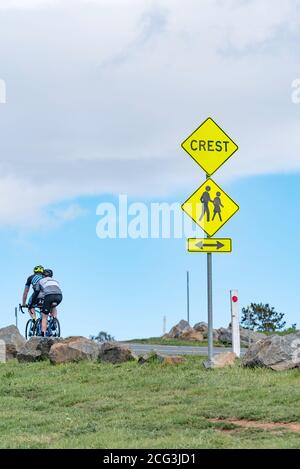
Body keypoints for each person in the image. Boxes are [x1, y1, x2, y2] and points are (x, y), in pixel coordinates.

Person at [35, 269, 63, 337]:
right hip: (59, 296)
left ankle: (43, 334)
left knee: (44, 316)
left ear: (43, 275)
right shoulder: (55, 281)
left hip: (49, 296)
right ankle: (54, 320)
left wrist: (33, 302)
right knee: (53, 306)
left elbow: (37, 293)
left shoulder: (41, 281)